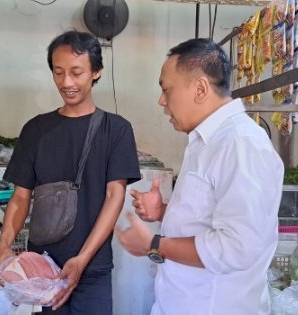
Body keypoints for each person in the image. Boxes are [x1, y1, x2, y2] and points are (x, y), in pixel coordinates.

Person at [116, 38, 284, 315]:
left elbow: (237, 247)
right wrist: (163, 212)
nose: (161, 100)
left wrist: (153, 244)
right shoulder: (206, 141)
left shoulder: (240, 144)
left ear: (201, 88)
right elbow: (209, 216)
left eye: (166, 89)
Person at [0, 30, 140, 315]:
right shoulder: (36, 130)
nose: (66, 82)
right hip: (42, 269)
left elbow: (115, 196)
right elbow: (21, 197)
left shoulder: (116, 130)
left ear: (96, 72)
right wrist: (4, 247)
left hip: (92, 267)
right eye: (58, 72)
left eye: (76, 72)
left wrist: (82, 259)